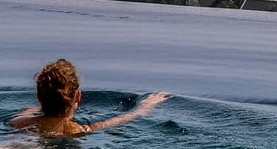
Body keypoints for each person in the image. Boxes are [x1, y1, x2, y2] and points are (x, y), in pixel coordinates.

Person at [10, 58, 168, 136]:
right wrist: (146, 106)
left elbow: (26, 112)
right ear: (78, 96)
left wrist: (46, 101)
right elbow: (121, 119)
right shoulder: (78, 130)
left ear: (38, 96)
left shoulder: (19, 122)